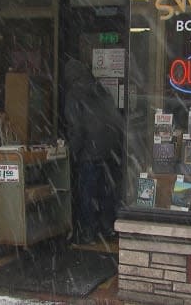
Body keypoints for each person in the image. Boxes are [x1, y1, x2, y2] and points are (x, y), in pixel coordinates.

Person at [63, 56, 123, 244]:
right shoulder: (101, 89)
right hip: (110, 150)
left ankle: (88, 233)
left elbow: (77, 129)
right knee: (106, 193)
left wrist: (70, 153)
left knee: (87, 195)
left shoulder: (74, 94)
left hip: (91, 152)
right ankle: (108, 228)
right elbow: (114, 118)